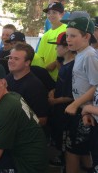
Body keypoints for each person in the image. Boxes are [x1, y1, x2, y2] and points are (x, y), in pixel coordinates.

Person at [64, 17, 98, 173]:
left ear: (86, 37)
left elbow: (96, 85)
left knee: (72, 151)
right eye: (67, 35)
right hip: (82, 110)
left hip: (85, 109)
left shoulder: (90, 56)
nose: (68, 39)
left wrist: (77, 104)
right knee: (82, 151)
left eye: (73, 36)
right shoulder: (80, 53)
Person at [47, 32, 75, 169]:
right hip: (59, 107)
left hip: (67, 109)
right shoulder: (64, 63)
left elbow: (73, 95)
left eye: (58, 45)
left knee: (65, 135)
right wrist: (53, 91)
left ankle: (64, 160)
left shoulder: (73, 66)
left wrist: (55, 101)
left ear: (68, 47)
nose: (56, 49)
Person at [7, 43, 50, 126]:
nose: (10, 61)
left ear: (27, 62)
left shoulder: (35, 87)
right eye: (10, 57)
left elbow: (42, 120)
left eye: (16, 59)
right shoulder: (9, 77)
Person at [37, 2, 67, 81]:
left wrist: (55, 63)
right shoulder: (46, 35)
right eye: (48, 13)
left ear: (62, 14)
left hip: (62, 75)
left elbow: (71, 50)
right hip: (47, 76)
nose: (51, 15)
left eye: (54, 12)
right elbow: (41, 56)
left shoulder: (66, 29)